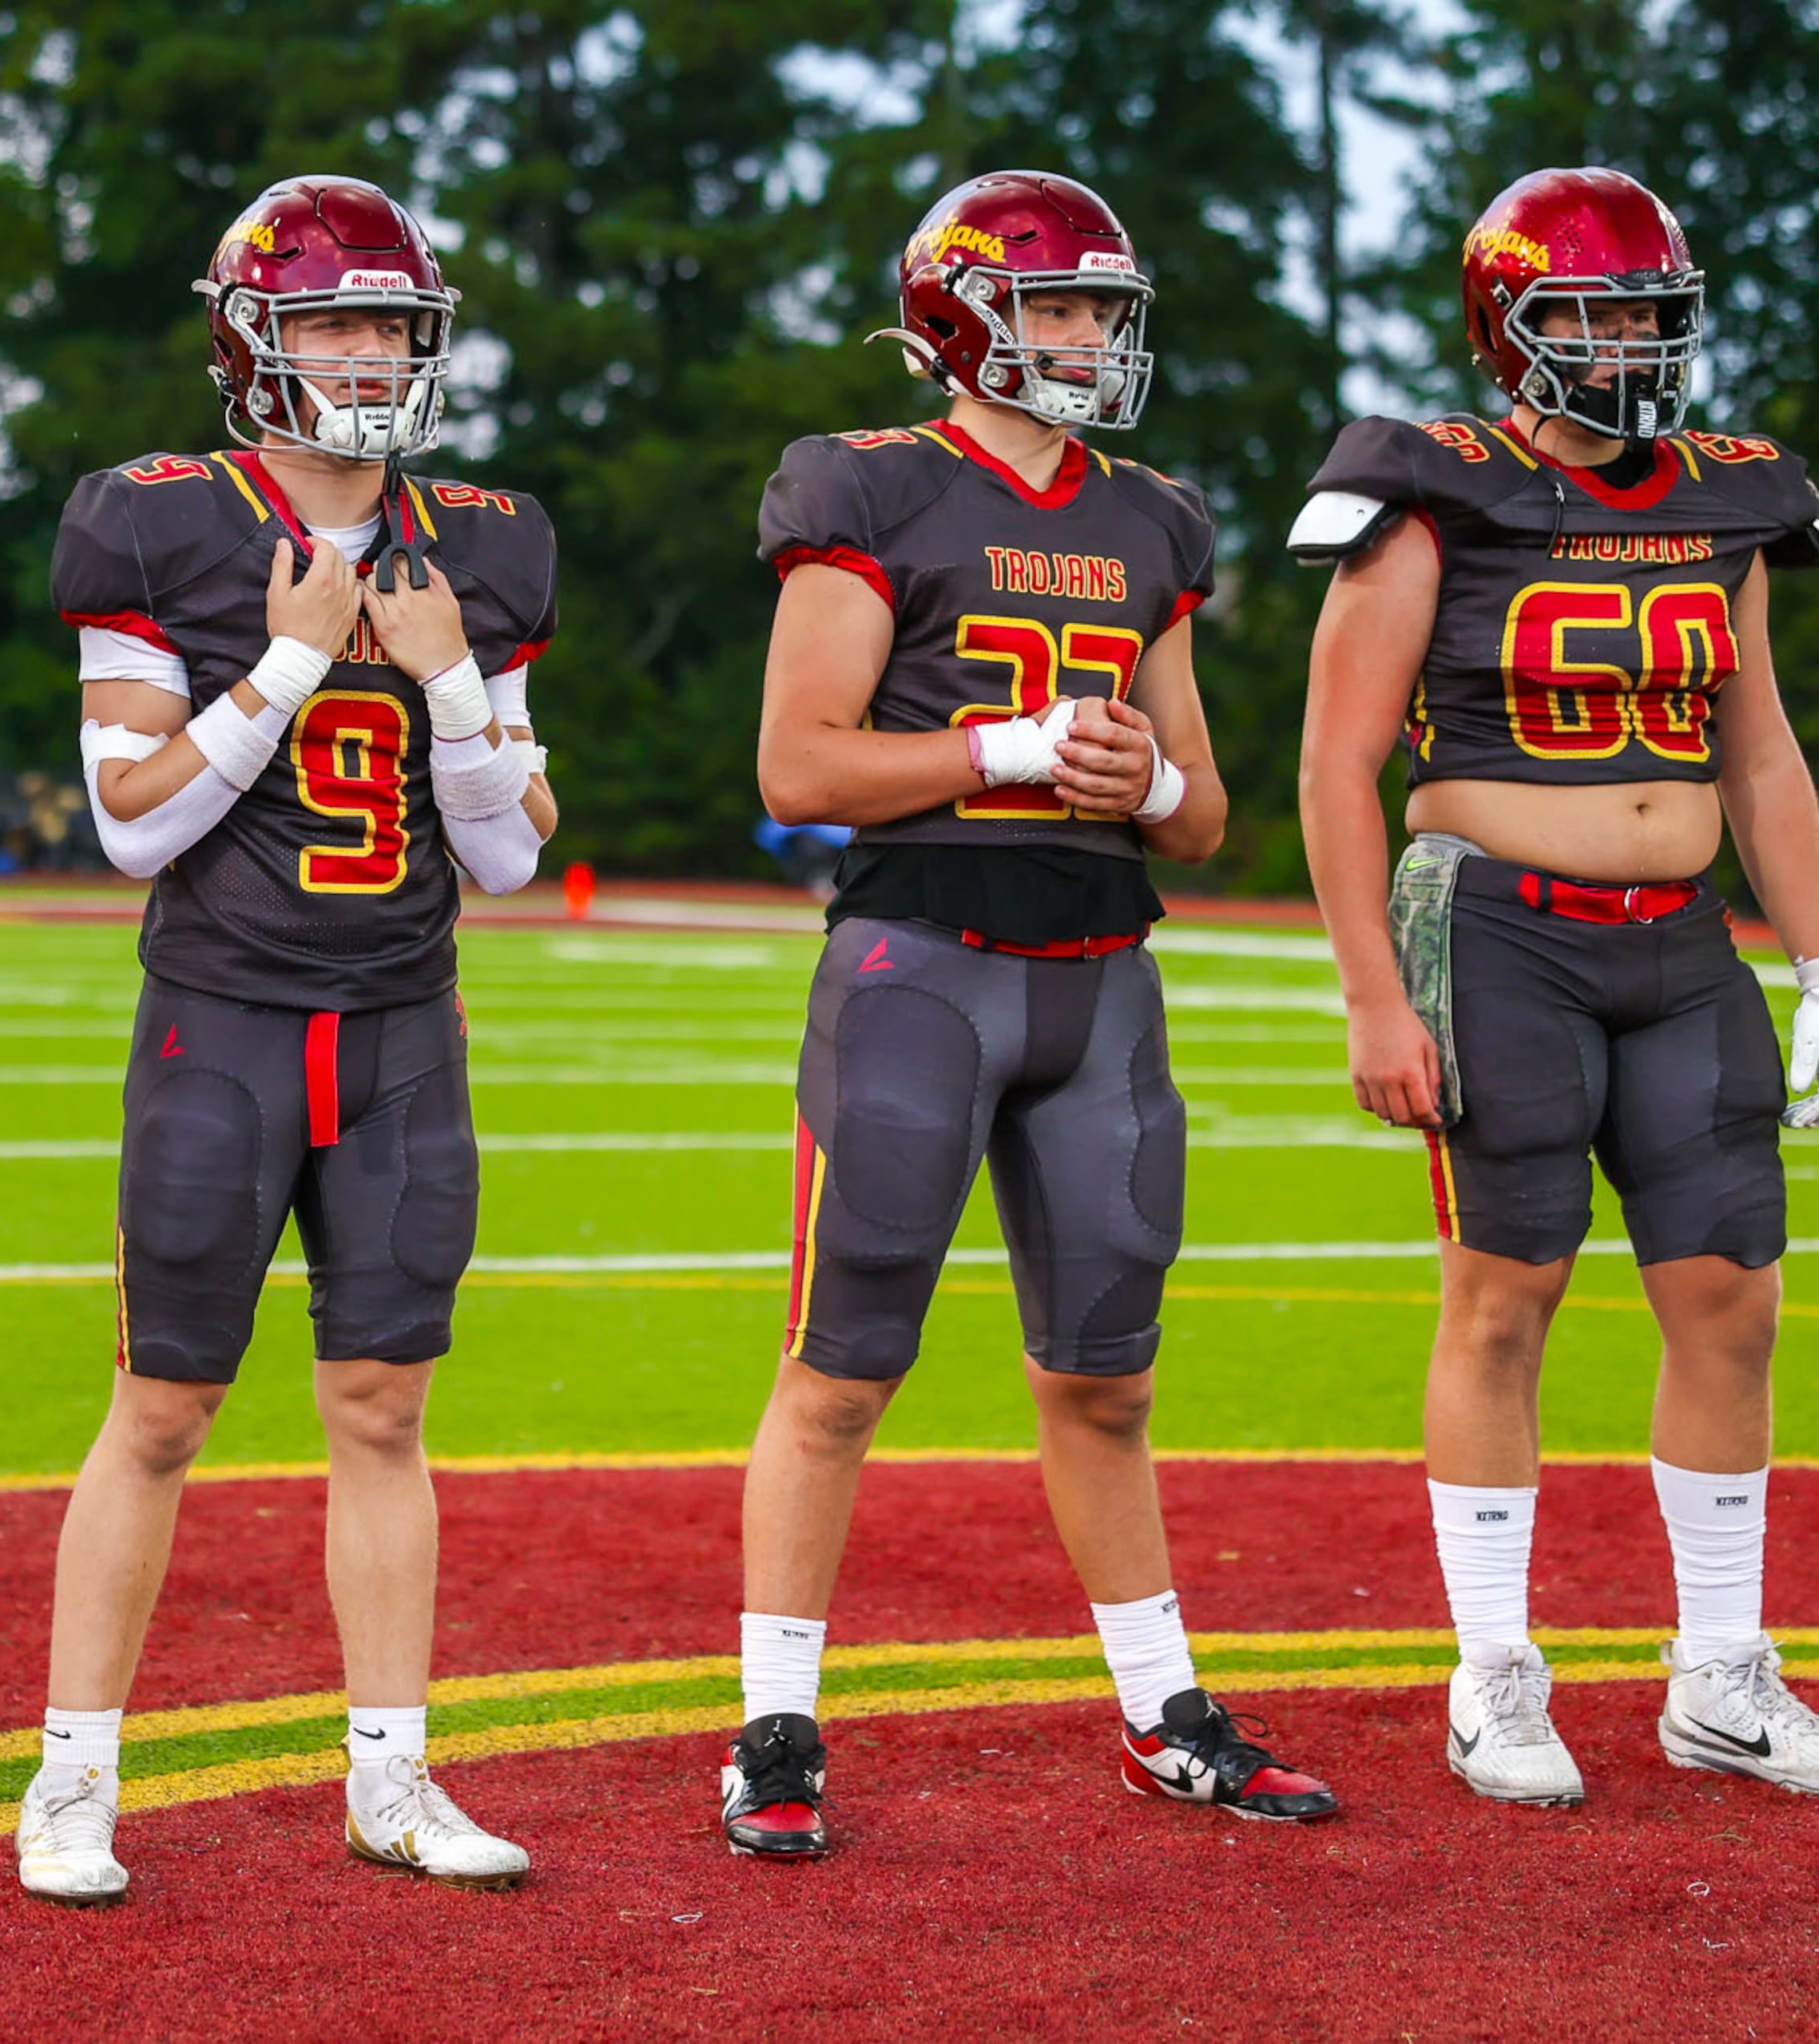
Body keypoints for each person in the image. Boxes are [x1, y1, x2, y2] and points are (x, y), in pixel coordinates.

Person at [720, 170, 1338, 1863]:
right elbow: (799, 765)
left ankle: (1161, 1708)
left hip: (1101, 985)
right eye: (1051, 302)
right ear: (958, 315)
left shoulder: (1150, 517)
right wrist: (998, 750)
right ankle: (775, 1723)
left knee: (1109, 1379)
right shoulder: (870, 487)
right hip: (918, 967)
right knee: (846, 1367)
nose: (1081, 335)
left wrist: (1150, 776)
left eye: (1098, 308)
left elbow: (1205, 815)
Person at [1293, 166, 1819, 1806]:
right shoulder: (1435, 495)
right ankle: (1494, 1670)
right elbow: (1338, 764)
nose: (1631, 345)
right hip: (1502, 930)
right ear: (1510, 327)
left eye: (1650, 312)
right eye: (1594, 313)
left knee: (1732, 1297)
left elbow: (1759, 744)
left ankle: (1719, 1673)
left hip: (1680, 935)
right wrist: (1369, 992)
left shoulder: (1732, 495)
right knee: (1509, 1291)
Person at [20, 174, 558, 1905]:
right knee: (163, 1406)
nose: (367, 352)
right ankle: (72, 1780)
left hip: (403, 1021)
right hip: (225, 1021)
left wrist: (453, 684)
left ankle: (391, 1775)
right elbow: (129, 823)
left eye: (393, 323)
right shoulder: (158, 518)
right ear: (253, 341)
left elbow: (512, 849)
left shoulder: (480, 535)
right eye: (331, 320)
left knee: (383, 1405)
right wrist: (284, 671)